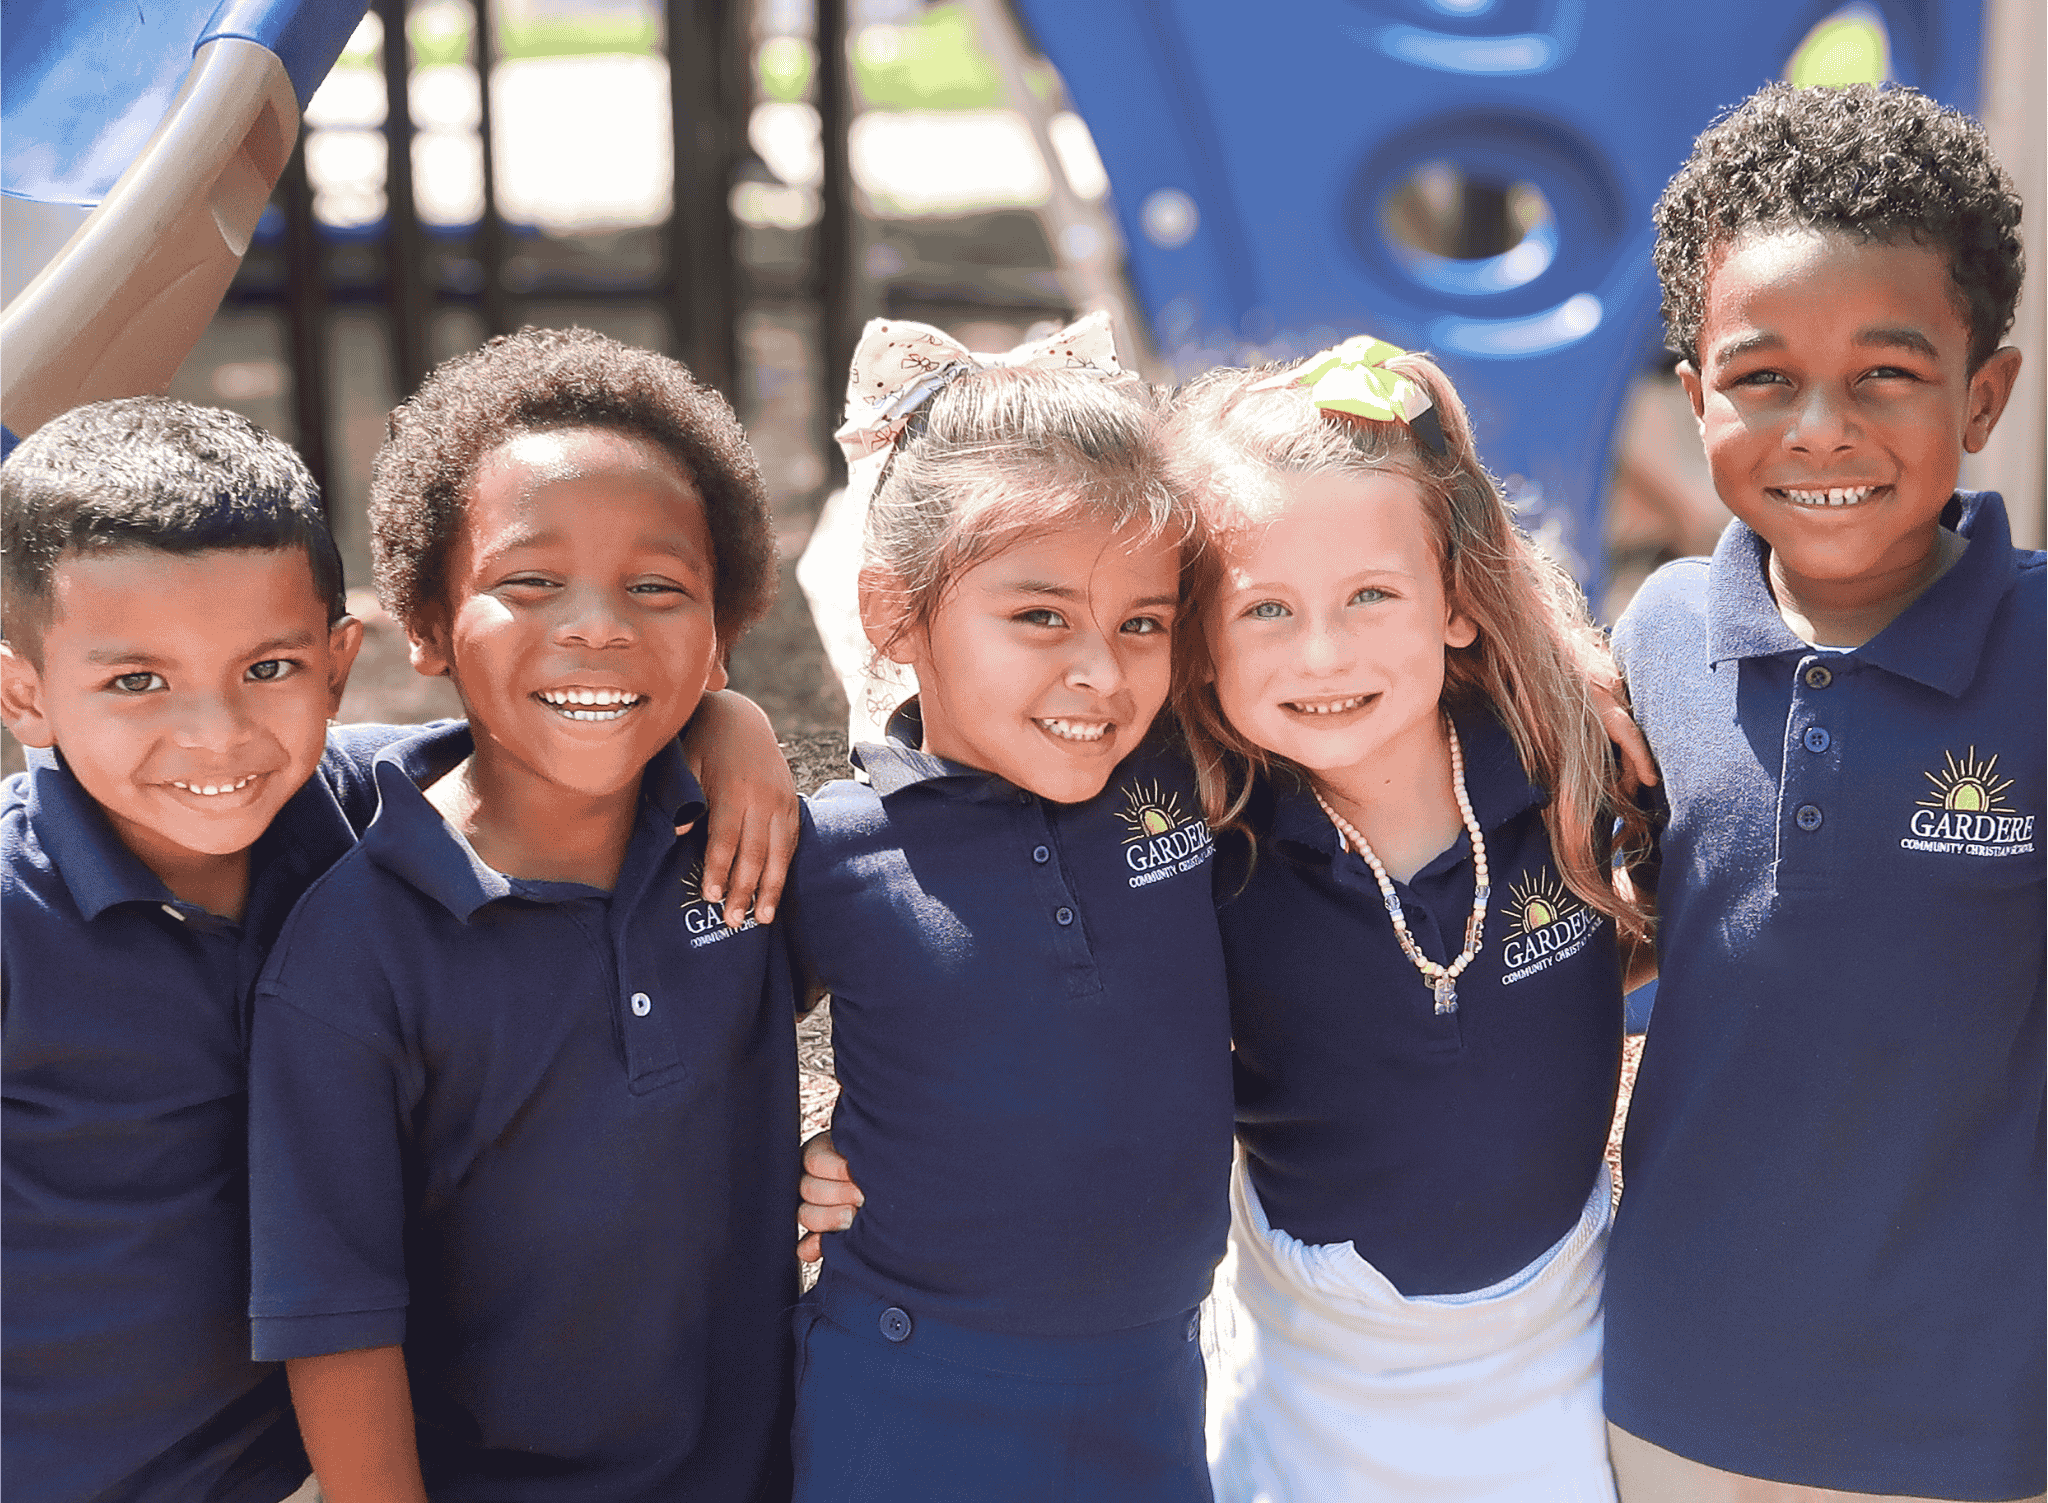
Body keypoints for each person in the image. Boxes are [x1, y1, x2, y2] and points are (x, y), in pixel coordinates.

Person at [242, 327, 800, 1502]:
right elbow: (336, 1318)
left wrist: (731, 721)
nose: (596, 625)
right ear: (430, 626)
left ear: (720, 634)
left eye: (656, 589)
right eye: (528, 582)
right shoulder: (356, 954)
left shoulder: (751, 850)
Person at [1600, 82, 2042, 1503]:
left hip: (1968, 1425)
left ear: (1986, 392)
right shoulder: (1655, 633)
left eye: (1889, 374)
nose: (1822, 428)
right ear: (1695, 398)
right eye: (1763, 376)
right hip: (1664, 1395)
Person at [1168, 336, 1650, 1500]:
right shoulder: (1199, 833)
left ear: (1455, 603)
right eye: (1266, 609)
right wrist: (730, 735)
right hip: (1311, 1374)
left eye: (1370, 596)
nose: (1322, 652)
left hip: (1557, 1347)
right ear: (1197, 638)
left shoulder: (1570, 767)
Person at [782, 314, 1235, 1503]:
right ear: (894, 614)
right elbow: (669, 1035)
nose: (1102, 668)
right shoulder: (829, 848)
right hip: (906, 1401)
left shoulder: (1188, 777)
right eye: (1039, 616)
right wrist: (763, 1172)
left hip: (1154, 1385)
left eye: (1140, 622)